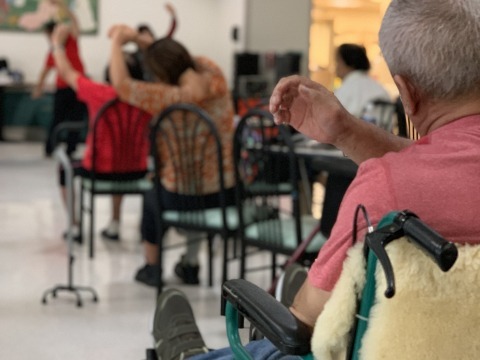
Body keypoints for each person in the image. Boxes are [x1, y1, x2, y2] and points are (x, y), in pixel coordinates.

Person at [150, 0, 480, 358]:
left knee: (284, 344)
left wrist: (315, 294)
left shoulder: (387, 188)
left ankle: (189, 355)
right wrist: (345, 131)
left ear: (407, 91)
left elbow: (303, 324)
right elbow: (451, 161)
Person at [107, 25, 236, 286]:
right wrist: (150, 43)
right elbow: (184, 61)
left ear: (160, 73)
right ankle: (190, 263)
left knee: (152, 197)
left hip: (180, 197)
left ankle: (152, 267)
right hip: (225, 193)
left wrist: (118, 42)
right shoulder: (216, 77)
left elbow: (121, 84)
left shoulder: (167, 97)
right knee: (197, 193)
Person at [50, 23, 152, 243]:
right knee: (122, 160)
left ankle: (75, 227)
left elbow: (67, 73)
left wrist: (57, 46)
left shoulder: (99, 92)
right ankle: (115, 223)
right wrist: (137, 39)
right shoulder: (146, 97)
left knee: (63, 168)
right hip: (137, 171)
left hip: (97, 170)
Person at [32, 0, 87, 157]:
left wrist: (62, 6)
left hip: (78, 87)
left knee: (76, 120)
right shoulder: (53, 51)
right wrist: (38, 87)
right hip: (62, 88)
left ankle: (71, 148)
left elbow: (74, 22)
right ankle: (50, 147)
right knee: (57, 119)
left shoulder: (72, 41)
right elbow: (45, 70)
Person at [334, 43, 391, 120]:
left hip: (353, 131)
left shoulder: (345, 90)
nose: (336, 67)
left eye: (338, 61)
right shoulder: (380, 88)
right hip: (382, 131)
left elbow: (334, 118)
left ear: (349, 63)